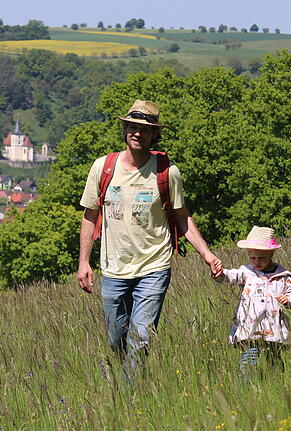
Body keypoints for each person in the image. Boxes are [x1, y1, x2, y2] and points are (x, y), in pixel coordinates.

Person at [76, 99, 222, 374]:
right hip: (114, 270)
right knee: (116, 340)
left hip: (153, 268)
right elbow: (90, 215)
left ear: (155, 134)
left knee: (140, 339)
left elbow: (182, 216)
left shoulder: (167, 172)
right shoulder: (103, 168)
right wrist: (84, 262)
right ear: (125, 130)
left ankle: (130, 401)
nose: (137, 133)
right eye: (132, 126)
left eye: (144, 129)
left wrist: (207, 253)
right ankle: (122, 384)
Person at [213, 226, 291, 377]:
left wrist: (288, 300)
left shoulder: (282, 275)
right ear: (248, 254)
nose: (257, 262)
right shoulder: (247, 272)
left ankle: (277, 383)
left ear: (271, 254)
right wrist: (220, 274)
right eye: (253, 258)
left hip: (274, 328)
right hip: (251, 326)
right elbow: (232, 276)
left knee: (275, 359)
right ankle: (245, 384)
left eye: (262, 258)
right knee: (250, 355)